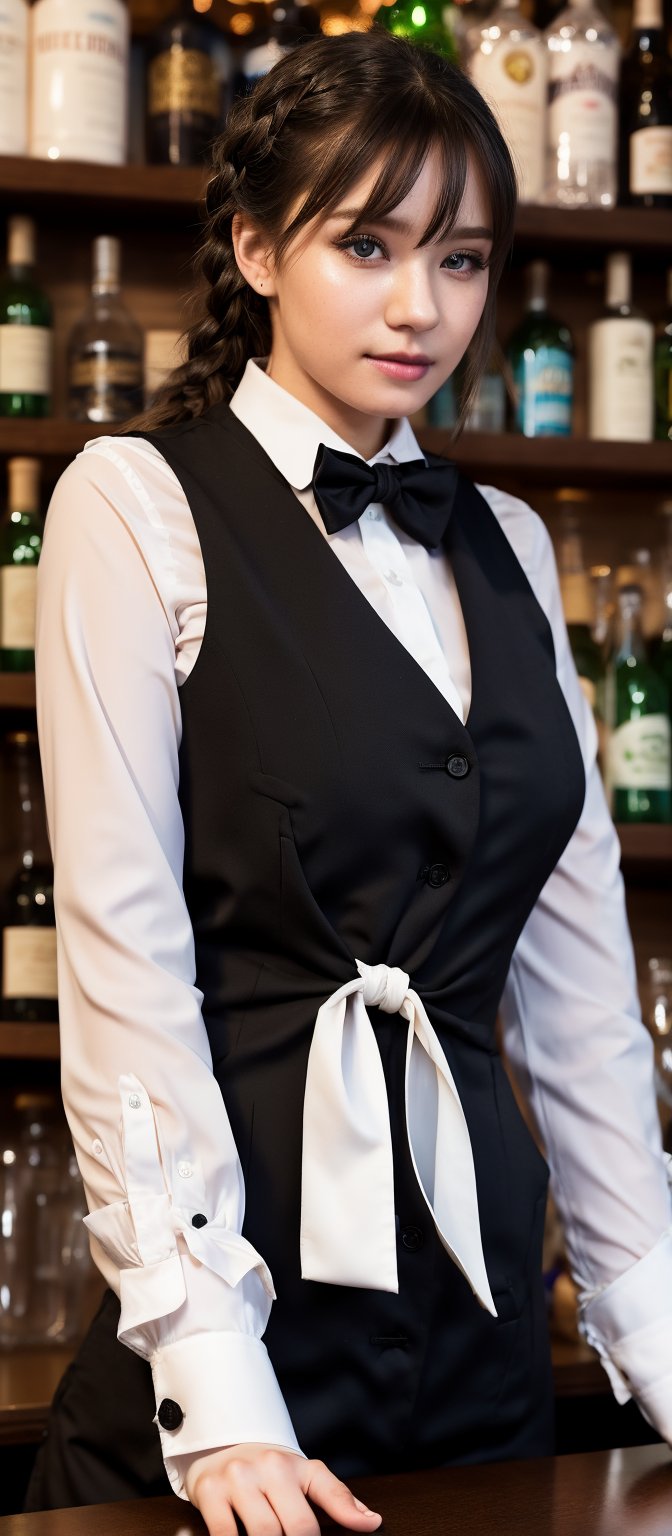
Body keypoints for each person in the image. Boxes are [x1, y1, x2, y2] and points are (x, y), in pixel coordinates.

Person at [24, 26, 672, 1536]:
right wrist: (216, 1385)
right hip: (239, 1370)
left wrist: (655, 1337)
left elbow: (577, 1017)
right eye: (365, 246)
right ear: (254, 244)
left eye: (459, 260)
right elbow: (126, 972)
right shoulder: (133, 505)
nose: (417, 306)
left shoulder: (511, 545)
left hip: (485, 1364)